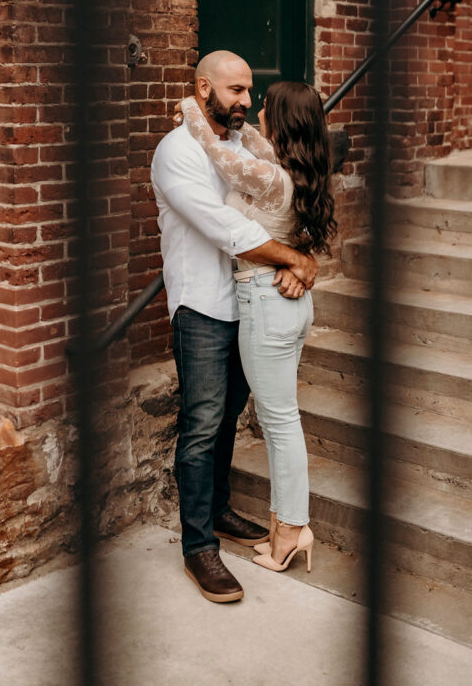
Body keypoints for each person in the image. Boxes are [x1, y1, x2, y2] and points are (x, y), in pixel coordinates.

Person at [151, 51, 318, 604]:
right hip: (202, 307)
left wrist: (303, 260)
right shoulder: (176, 152)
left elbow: (292, 204)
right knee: (200, 426)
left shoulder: (243, 147)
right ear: (204, 90)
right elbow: (225, 227)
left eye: (250, 92)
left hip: (250, 305)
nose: (246, 101)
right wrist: (293, 261)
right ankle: (199, 546)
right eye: (235, 90)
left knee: (226, 420)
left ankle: (219, 510)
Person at [177, 79, 337, 574]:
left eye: (265, 105)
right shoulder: (298, 170)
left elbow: (221, 153)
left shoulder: (271, 178)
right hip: (283, 301)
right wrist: (300, 260)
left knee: (280, 423)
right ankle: (284, 525)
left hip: (266, 302)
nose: (256, 109)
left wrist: (190, 110)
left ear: (282, 120)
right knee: (280, 419)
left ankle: (290, 530)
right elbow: (248, 142)